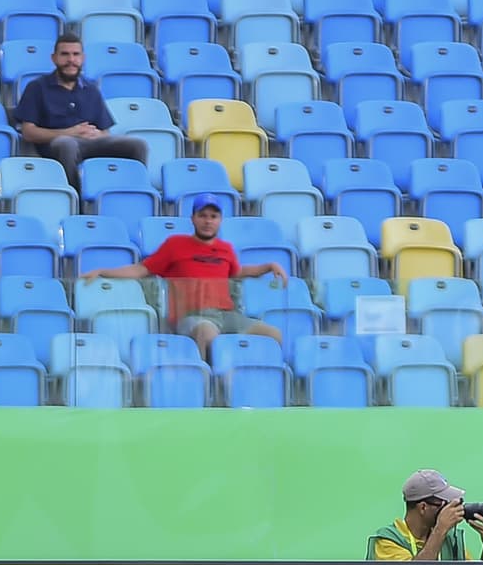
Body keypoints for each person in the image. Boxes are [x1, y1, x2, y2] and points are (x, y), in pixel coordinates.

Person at [80, 194, 287, 357]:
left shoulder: (226, 249)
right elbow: (142, 269)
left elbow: (237, 272)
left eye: (213, 216)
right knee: (208, 334)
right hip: (192, 315)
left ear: (220, 220)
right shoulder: (175, 244)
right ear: (193, 218)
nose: (208, 221)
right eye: (203, 215)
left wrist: (268, 266)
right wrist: (103, 272)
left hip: (225, 315)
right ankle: (211, 391)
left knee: (273, 335)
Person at [14, 33, 149, 192]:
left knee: (138, 145)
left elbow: (105, 132)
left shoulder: (91, 89)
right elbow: (28, 132)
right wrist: (68, 133)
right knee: (67, 143)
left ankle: (133, 194)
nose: (71, 60)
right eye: (65, 54)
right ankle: (76, 201)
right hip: (55, 145)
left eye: (75, 54)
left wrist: (98, 135)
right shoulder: (37, 87)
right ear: (54, 58)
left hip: (89, 143)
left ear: (83, 58)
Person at [365, 470, 483, 561]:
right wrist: (440, 529)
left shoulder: (449, 539)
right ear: (423, 507)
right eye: (443, 503)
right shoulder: (387, 541)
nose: (449, 508)